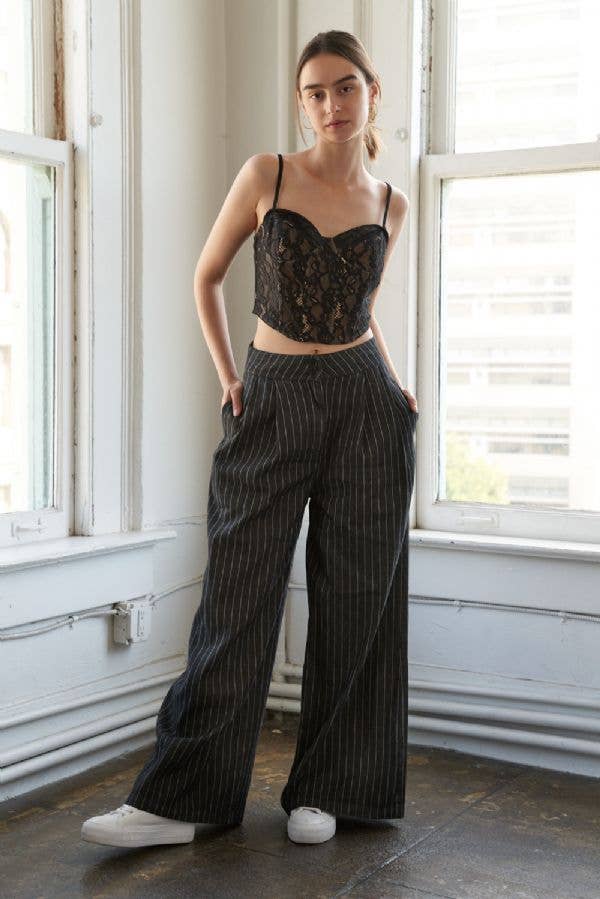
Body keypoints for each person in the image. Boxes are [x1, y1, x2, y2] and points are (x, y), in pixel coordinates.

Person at [81, 29, 418, 850]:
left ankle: (331, 789)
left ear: (372, 92)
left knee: (356, 599)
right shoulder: (267, 173)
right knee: (237, 595)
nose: (329, 105)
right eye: (314, 92)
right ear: (301, 101)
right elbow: (206, 274)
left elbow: (361, 308)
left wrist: (396, 383)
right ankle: (182, 798)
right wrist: (232, 376)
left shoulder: (389, 203)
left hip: (363, 402)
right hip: (271, 392)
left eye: (344, 88)